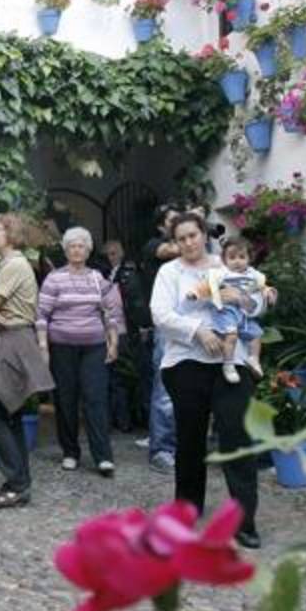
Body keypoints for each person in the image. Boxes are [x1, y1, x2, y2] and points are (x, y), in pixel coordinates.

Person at [151, 211, 265, 549]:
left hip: (231, 361)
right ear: (175, 242)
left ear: (204, 235)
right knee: (190, 439)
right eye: (181, 238)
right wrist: (197, 330)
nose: (189, 243)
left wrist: (242, 299)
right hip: (186, 362)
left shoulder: (226, 263)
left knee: (236, 436)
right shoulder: (169, 272)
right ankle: (186, 510)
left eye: (193, 235)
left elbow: (258, 296)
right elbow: (161, 314)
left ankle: (245, 520)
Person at [0, 213, 55, 509]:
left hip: (13, 343)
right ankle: (18, 483)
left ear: (10, 234)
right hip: (14, 341)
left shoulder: (13, 266)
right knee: (9, 416)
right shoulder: (15, 264)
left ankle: (18, 484)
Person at [36, 227, 124, 477]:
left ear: (88, 250)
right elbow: (42, 315)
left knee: (96, 398)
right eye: (72, 246)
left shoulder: (98, 278)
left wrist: (114, 342)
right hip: (62, 346)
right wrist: (43, 347)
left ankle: (103, 456)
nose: (77, 250)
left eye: (81, 246)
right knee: (65, 400)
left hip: (94, 347)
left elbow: (111, 313)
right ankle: (70, 452)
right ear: (65, 250)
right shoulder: (54, 279)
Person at [141, 204, 191, 474]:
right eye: (174, 220)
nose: (181, 223)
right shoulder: (154, 245)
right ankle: (161, 449)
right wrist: (193, 229)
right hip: (166, 325)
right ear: (162, 226)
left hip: (192, 325)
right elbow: (173, 249)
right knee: (165, 390)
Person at [188, 236, 267, 383]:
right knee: (231, 336)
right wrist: (195, 293)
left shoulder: (253, 275)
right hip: (226, 312)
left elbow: (261, 290)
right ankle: (228, 364)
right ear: (224, 260)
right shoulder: (221, 274)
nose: (237, 261)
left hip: (244, 314)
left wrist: (268, 292)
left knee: (256, 336)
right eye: (232, 257)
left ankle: (254, 359)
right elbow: (207, 286)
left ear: (249, 258)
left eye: (242, 257)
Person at [104, 239, 143, 433]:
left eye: (113, 253)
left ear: (121, 252)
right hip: (112, 330)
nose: (111, 257)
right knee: (116, 377)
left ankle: (125, 420)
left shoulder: (127, 273)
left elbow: (133, 304)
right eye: (108, 253)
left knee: (123, 377)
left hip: (124, 331)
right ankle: (120, 418)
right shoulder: (109, 274)